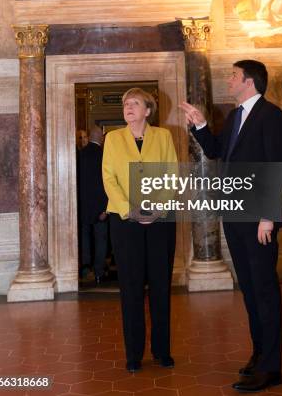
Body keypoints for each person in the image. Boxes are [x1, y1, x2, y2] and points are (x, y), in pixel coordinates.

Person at [180, 60, 282, 393]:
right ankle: (259, 357)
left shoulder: (271, 116)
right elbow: (215, 151)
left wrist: (268, 215)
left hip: (259, 220)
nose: (229, 80)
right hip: (236, 216)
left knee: (265, 292)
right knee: (252, 293)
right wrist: (199, 125)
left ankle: (271, 369)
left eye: (233, 76)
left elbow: (276, 166)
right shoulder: (234, 116)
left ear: (250, 82)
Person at [102, 88, 178, 373]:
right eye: (125, 104)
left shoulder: (163, 136)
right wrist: (128, 209)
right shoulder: (113, 138)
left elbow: (172, 173)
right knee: (131, 288)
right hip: (125, 222)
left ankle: (162, 350)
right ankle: (133, 354)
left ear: (148, 110)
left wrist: (158, 208)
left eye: (135, 103)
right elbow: (109, 178)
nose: (128, 107)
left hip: (160, 221)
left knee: (160, 285)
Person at [77, 125, 108, 284]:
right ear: (101, 138)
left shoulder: (80, 155)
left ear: (89, 137)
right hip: (100, 207)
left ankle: (85, 268)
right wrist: (105, 208)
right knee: (100, 239)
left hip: (82, 206)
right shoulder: (104, 156)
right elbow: (107, 184)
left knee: (85, 237)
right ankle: (98, 272)